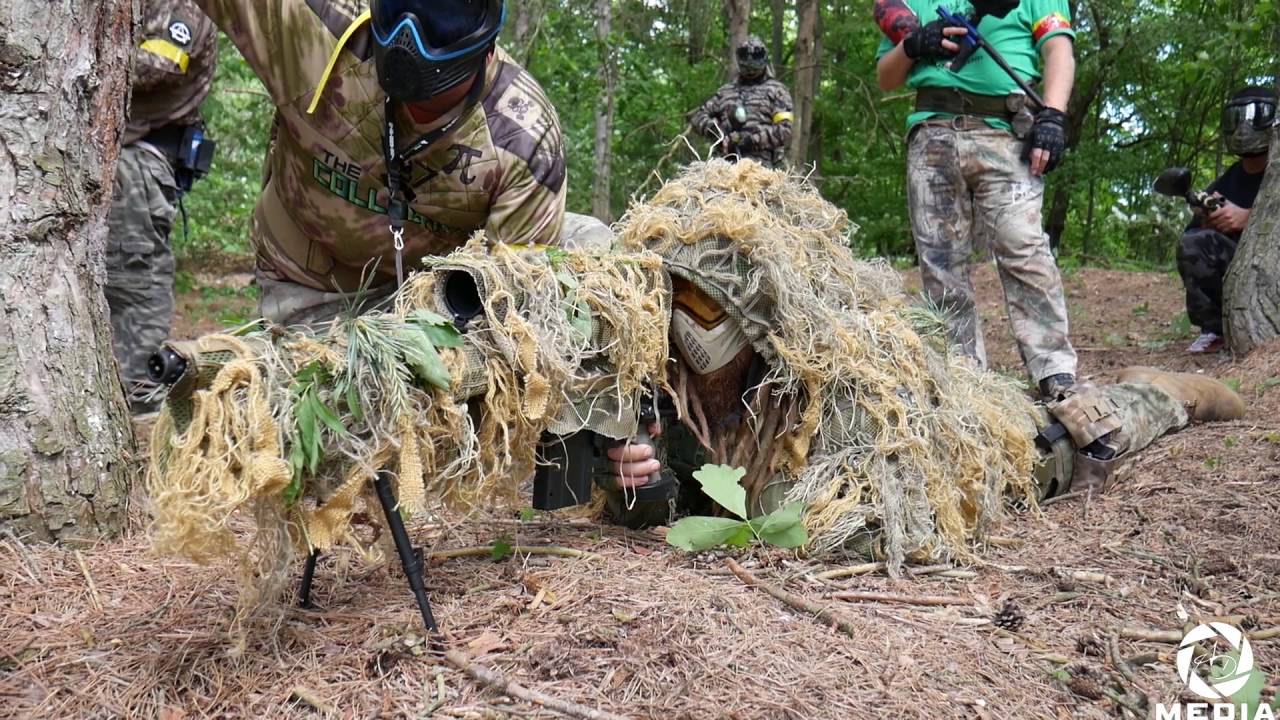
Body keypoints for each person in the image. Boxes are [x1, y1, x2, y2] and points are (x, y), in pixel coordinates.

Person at [603, 161, 1243, 560]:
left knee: (1087, 427)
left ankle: (1169, 391)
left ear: (759, 316)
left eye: (705, 307)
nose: (683, 331)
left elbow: (892, 530)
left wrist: (744, 525)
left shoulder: (847, 384)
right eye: (668, 304)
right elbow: (680, 493)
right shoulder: (667, 386)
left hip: (1020, 450)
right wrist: (641, 487)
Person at [192, 0, 603, 327]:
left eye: (442, 14)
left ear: (487, 41)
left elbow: (509, 309)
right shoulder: (313, 27)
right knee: (339, 412)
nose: (412, 34)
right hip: (313, 287)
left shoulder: (523, 140)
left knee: (591, 248)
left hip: (441, 298)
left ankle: (630, 414)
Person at [873, 0, 1079, 401]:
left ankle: (1055, 371)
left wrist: (1053, 115)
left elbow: (1058, 49)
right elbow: (886, 77)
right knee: (941, 263)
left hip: (1006, 133)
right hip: (932, 133)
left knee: (1024, 247)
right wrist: (915, 45)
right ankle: (961, 377)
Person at [106, 0, 217, 412]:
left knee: (134, 280)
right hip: (122, 160)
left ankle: (142, 398)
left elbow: (160, 62)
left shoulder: (182, 7)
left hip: (140, 162)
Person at [1176, 86, 1275, 354]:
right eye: (1236, 118)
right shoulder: (1229, 179)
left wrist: (1247, 219)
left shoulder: (1275, 174)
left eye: (1256, 116)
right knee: (1194, 243)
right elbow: (1194, 236)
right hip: (1245, 272)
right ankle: (1215, 329)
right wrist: (1208, 220)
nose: (1244, 128)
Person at [690, 36, 795, 169]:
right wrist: (719, 134)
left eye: (756, 55)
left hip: (762, 169)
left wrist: (749, 141)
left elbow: (784, 130)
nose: (750, 60)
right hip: (723, 167)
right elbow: (698, 118)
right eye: (745, 55)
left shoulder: (777, 91)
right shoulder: (726, 92)